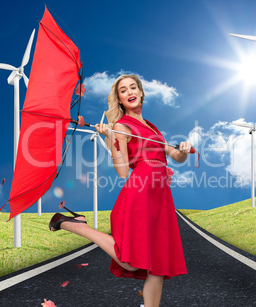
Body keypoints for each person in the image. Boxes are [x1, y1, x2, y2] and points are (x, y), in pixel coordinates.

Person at [49, 74, 191, 307]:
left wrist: (183, 149)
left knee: (158, 264)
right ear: (120, 100)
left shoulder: (152, 128)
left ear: (141, 92)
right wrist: (112, 137)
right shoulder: (122, 126)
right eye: (123, 91)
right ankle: (75, 225)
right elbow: (123, 171)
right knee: (131, 261)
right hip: (141, 191)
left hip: (161, 195)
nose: (129, 92)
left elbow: (175, 156)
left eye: (133, 87)